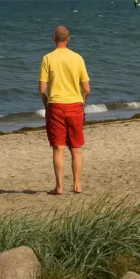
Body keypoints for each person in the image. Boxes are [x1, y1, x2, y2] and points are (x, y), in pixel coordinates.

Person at [39, 26, 90, 195]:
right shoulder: (78, 58)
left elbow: (42, 88)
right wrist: (83, 102)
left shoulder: (48, 58)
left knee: (58, 148)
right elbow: (87, 88)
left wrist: (46, 104)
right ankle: (77, 185)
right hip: (75, 105)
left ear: (54, 38)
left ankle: (59, 187)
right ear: (68, 39)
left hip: (56, 106)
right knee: (76, 148)